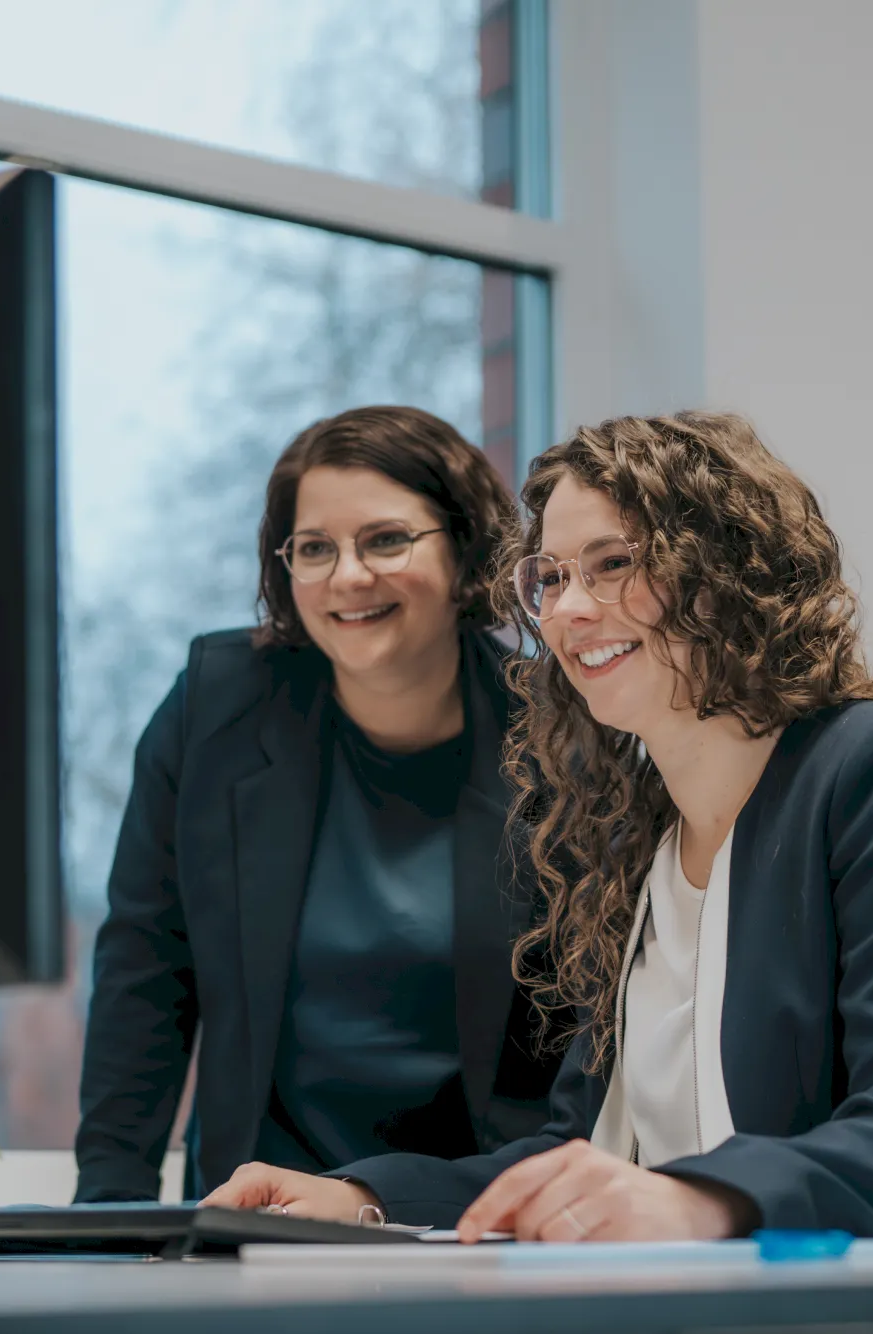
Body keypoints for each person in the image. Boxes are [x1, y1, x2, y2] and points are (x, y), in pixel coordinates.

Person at [203, 411, 873, 1246]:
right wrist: (362, 1196)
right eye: (550, 578)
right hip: (710, 1303)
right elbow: (578, 1154)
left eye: (613, 564)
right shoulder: (637, 841)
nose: (568, 610)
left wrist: (695, 1203)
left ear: (726, 569)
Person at [74, 405, 560, 1203]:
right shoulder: (215, 709)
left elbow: (579, 1059)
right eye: (314, 548)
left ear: (466, 548)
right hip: (253, 1213)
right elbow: (146, 970)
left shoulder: (556, 741)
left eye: (386, 539)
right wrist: (107, 1216)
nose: (348, 577)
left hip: (467, 1220)